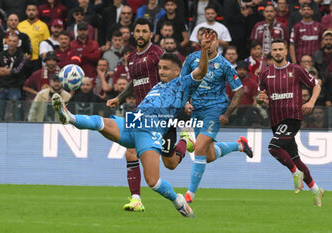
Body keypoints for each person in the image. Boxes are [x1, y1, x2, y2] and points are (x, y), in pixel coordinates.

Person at [52, 31, 217, 218]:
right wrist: (119, 98)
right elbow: (136, 82)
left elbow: (201, 71)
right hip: (135, 121)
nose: (161, 71)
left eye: (166, 69)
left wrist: (203, 50)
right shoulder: (158, 84)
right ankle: (69, 117)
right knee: (100, 123)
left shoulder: (183, 83)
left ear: (177, 71)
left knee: (153, 181)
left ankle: (178, 201)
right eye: (160, 68)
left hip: (151, 130)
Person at [106, 18, 192, 212]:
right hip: (140, 112)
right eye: (138, 31)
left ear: (151, 34)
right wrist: (119, 98)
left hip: (161, 114)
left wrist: (184, 100)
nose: (141, 35)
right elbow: (134, 82)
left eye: (145, 31)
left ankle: (185, 140)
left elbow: (175, 76)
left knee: (170, 163)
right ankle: (136, 199)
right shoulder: (131, 58)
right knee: (129, 151)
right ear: (133, 34)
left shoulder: (158, 54)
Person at [181, 29, 253, 203]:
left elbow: (239, 90)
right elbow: (182, 83)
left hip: (215, 109)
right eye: (205, 39)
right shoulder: (191, 59)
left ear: (217, 43)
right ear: (200, 41)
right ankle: (239, 145)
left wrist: (227, 112)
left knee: (198, 148)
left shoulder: (225, 64)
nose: (208, 43)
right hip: (196, 109)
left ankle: (190, 194)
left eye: (212, 40)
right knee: (208, 156)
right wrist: (185, 102)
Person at [257, 38, 324, 207]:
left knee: (273, 148)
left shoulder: (297, 70)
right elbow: (261, 98)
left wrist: (311, 102)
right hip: (275, 120)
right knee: (296, 158)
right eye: (275, 50)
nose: (278, 52)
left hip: (293, 117)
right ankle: (316, 190)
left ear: (286, 51)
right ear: (271, 53)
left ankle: (295, 174)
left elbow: (316, 85)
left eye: (281, 49)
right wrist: (260, 99)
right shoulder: (264, 74)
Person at [0, 33, 27, 121]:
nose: (12, 43)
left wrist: (4, 71)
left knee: (17, 116)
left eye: (14, 41)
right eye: (10, 41)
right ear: (7, 42)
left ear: (18, 43)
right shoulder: (1, 54)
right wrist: (1, 72)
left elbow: (19, 71)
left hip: (15, 88)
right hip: (1, 88)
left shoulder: (22, 56)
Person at [18, 2, 50, 77]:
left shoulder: (43, 25)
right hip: (22, 58)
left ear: (37, 11)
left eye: (33, 10)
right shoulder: (20, 25)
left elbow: (47, 42)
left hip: (37, 59)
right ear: (26, 12)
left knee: (35, 80)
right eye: (29, 10)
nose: (31, 12)